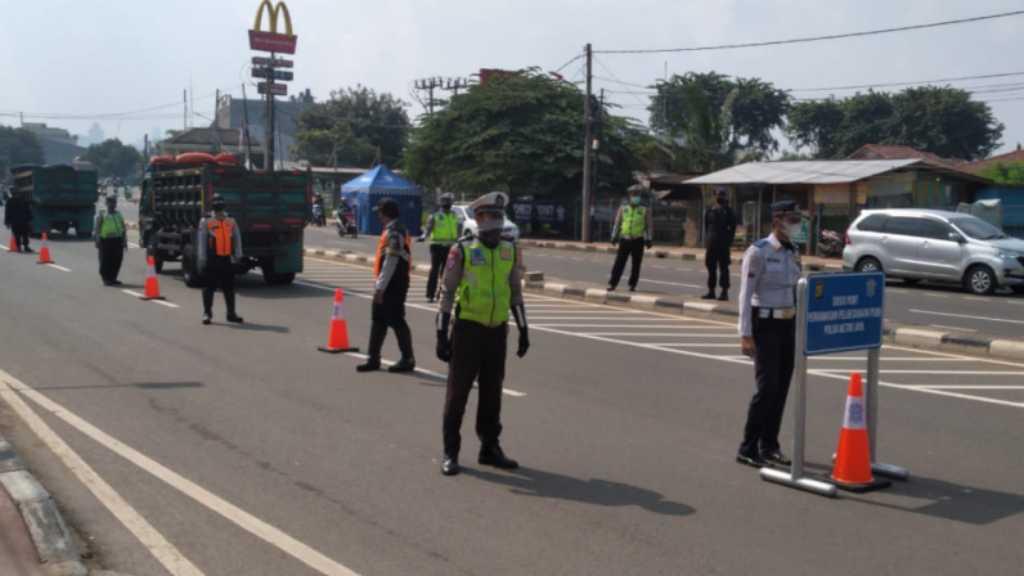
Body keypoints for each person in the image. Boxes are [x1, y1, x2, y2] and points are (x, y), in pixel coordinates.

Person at [436, 192, 530, 476]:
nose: (495, 226)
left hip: (497, 331)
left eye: (498, 219)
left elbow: (515, 291)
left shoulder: (508, 250)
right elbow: (447, 292)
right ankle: (450, 452)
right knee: (458, 394)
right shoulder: (461, 249)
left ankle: (489, 448)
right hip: (467, 330)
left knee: (492, 393)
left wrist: (524, 329)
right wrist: (442, 333)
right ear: (478, 220)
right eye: (489, 219)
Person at [736, 200, 804, 468]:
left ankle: (770, 444)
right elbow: (745, 295)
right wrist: (745, 334)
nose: (797, 225)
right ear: (777, 220)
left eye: (798, 219)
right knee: (767, 389)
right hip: (764, 325)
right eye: (792, 219)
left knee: (782, 388)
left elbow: (797, 290)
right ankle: (748, 447)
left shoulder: (793, 250)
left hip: (787, 325)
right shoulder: (758, 252)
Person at [357, 198, 415, 373]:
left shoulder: (394, 232)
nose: (378, 216)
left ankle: (408, 359)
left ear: (385, 213)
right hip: (389, 282)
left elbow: (391, 261)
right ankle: (373, 358)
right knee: (378, 320)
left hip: (393, 284)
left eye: (380, 212)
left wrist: (380, 288)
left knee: (396, 320)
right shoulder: (393, 229)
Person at [198, 194, 244, 325]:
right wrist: (202, 259)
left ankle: (231, 314)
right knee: (209, 287)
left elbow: (237, 238)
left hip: (226, 259)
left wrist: (238, 255)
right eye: (216, 204)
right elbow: (202, 242)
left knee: (229, 288)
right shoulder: (206, 221)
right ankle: (207, 313)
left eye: (220, 204)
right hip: (212, 260)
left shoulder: (231, 220)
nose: (219, 208)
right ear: (213, 206)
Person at [607, 184, 653, 292]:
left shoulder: (644, 210)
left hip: (638, 240)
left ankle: (632, 285)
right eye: (633, 194)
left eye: (637, 194)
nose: (635, 196)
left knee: (636, 264)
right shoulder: (623, 209)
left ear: (640, 196)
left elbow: (649, 226)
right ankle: (612, 283)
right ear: (629, 196)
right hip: (625, 239)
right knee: (619, 263)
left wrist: (649, 239)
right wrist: (614, 236)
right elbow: (617, 223)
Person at [418, 192, 462, 302]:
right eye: (445, 201)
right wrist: (423, 237)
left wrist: (460, 241)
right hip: (436, 247)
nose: (447, 203)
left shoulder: (454, 216)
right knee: (434, 271)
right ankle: (430, 295)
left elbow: (459, 231)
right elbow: (428, 229)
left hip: (450, 248)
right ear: (441, 203)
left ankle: (442, 293)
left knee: (447, 272)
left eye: (449, 201)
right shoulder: (435, 216)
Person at [702, 188, 737, 301]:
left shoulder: (728, 211)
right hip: (711, 243)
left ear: (725, 196)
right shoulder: (710, 210)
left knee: (724, 268)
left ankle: (724, 292)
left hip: (723, 244)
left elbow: (732, 228)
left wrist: (728, 241)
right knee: (710, 267)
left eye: (722, 195)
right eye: (718, 195)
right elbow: (707, 226)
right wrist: (707, 240)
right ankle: (711, 291)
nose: (720, 197)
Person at [93, 194, 127, 286]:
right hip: (105, 241)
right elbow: (97, 229)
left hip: (117, 240)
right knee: (105, 261)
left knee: (117, 260)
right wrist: (97, 240)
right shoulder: (102, 214)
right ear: (107, 203)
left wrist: (125, 241)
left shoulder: (118, 214)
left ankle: (113, 278)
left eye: (114, 202)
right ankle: (106, 279)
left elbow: (123, 228)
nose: (113, 204)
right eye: (111, 202)